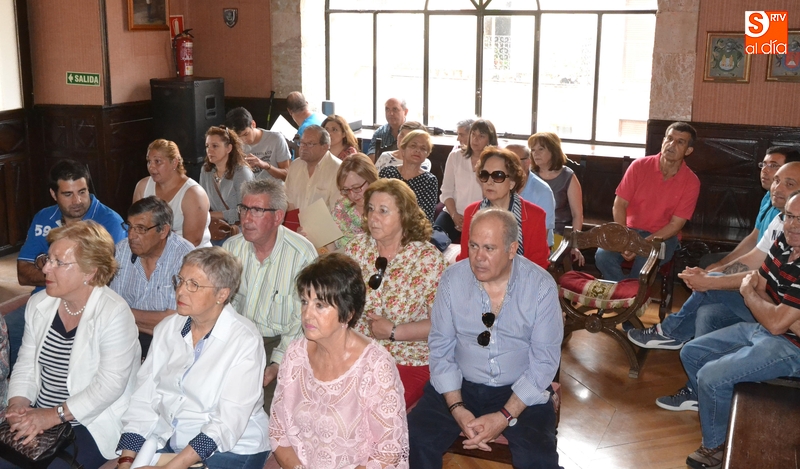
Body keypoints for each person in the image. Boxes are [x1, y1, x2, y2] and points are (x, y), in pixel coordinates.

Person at [627, 162, 800, 413]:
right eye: (776, 180)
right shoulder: (779, 221)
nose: (777, 187)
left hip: (780, 319)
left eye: (789, 183)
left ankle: (672, 332)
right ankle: (699, 390)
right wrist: (711, 272)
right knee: (707, 313)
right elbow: (755, 262)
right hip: (770, 303)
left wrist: (710, 280)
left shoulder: (791, 231)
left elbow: (757, 280)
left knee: (709, 289)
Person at [408, 208, 562, 469]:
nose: (478, 257)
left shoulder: (540, 286)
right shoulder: (452, 280)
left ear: (512, 249)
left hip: (519, 387)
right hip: (460, 383)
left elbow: (544, 362)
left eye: (489, 248)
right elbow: (441, 349)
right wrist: (457, 408)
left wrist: (503, 417)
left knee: (537, 458)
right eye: (473, 246)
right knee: (414, 440)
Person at [2, 221, 140, 468]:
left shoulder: (114, 313)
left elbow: (109, 386)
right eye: (48, 259)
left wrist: (52, 416)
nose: (46, 268)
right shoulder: (39, 304)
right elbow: (26, 363)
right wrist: (18, 405)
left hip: (91, 422)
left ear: (90, 272)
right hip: (40, 413)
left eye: (59, 262)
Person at [116, 248, 270, 469]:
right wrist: (126, 460)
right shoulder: (167, 329)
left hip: (231, 448)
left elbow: (227, 423)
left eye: (194, 285)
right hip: (173, 441)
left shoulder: (244, 340)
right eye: (180, 281)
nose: (180, 291)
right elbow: (144, 399)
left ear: (222, 294)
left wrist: (170, 467)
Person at [679, 190, 800, 469]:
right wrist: (774, 308)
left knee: (711, 375)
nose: (793, 225)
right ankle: (723, 417)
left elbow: (773, 318)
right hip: (768, 328)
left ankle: (715, 448)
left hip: (793, 349)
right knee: (692, 353)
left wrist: (752, 296)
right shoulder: (784, 243)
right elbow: (761, 284)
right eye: (790, 217)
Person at [269, 253, 409, 468]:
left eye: (320, 305)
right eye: (305, 302)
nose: (307, 314)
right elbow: (278, 430)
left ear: (348, 312)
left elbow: (387, 452)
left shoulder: (375, 366)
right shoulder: (296, 354)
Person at [8, 159, 126, 370]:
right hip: (42, 301)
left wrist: (46, 266)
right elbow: (23, 274)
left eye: (82, 192)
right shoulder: (44, 217)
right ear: (54, 194)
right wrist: (66, 273)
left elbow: (105, 276)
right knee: (6, 334)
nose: (78, 200)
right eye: (68, 194)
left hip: (87, 306)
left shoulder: (109, 221)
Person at [345, 179, 447, 407]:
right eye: (371, 209)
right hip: (358, 353)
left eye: (383, 211)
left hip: (408, 357)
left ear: (404, 215)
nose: (373, 217)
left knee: (376, 408)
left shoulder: (427, 259)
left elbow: (442, 325)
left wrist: (393, 331)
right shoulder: (356, 249)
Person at [223, 179, 317, 412]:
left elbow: (304, 320)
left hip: (281, 343)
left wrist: (277, 363)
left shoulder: (301, 255)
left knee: (270, 412)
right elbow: (219, 306)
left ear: (278, 217)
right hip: (237, 339)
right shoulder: (231, 249)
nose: (246, 219)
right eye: (244, 209)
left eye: (256, 210)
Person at [595, 122, 700, 281]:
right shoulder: (639, 166)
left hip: (663, 238)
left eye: (680, 142)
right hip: (629, 231)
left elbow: (675, 225)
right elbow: (619, 204)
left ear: (688, 150)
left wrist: (639, 245)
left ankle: (629, 293)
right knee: (603, 256)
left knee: (645, 261)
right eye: (669, 139)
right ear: (663, 141)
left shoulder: (691, 182)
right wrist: (625, 239)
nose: (672, 145)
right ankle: (626, 292)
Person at [110, 196, 194, 357]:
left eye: (141, 229)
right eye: (130, 227)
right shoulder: (121, 251)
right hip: (123, 337)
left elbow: (177, 322)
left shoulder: (186, 257)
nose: (131, 236)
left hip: (170, 346)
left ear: (163, 231)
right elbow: (107, 308)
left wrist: (120, 313)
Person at [700, 146, 800, 269]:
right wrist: (719, 267)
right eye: (764, 164)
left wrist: (716, 274)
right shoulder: (771, 200)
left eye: (773, 165)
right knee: (709, 262)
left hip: (769, 267)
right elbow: (754, 238)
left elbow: (768, 267)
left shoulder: (787, 214)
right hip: (760, 258)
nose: (764, 170)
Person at [457, 147, 550, 270]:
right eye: (485, 175)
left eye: (498, 176)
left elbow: (538, 266)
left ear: (512, 183)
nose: (489, 182)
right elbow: (465, 260)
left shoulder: (535, 216)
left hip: (523, 279)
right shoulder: (471, 212)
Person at [133, 139, 212, 248]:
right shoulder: (142, 186)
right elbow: (135, 226)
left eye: (157, 161)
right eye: (149, 161)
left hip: (191, 255)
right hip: (151, 252)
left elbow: (192, 242)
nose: (151, 167)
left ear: (174, 162)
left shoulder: (194, 194)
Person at [199, 125, 254, 244]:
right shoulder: (206, 170)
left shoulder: (242, 173)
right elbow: (202, 204)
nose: (209, 150)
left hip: (237, 232)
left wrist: (213, 215)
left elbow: (246, 211)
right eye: (207, 146)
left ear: (229, 148)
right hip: (214, 229)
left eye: (215, 146)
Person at [528, 132, 584, 250]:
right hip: (531, 232)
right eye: (533, 150)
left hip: (559, 234)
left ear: (553, 151)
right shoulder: (528, 175)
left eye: (541, 149)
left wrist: (574, 245)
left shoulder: (568, 176)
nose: (536, 153)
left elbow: (577, 215)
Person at [379, 129, 439, 223]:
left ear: (427, 155)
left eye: (423, 148)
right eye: (413, 146)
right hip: (386, 223)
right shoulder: (387, 173)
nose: (417, 150)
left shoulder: (429, 180)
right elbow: (378, 204)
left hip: (414, 227)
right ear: (403, 150)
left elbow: (426, 217)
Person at [507, 143, 557, 248]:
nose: (507, 166)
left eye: (513, 161)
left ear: (527, 163)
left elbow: (540, 238)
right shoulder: (499, 185)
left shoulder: (543, 191)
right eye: (504, 160)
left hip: (534, 250)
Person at [285, 125, 342, 211]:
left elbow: (338, 210)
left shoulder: (338, 170)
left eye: (310, 144)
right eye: (302, 143)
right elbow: (289, 202)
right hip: (296, 219)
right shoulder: (295, 165)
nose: (303, 147)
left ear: (325, 147)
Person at [226, 106, 291, 181]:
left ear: (253, 124)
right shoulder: (234, 144)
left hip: (273, 187)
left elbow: (287, 175)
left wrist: (266, 166)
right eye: (238, 137)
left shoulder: (276, 139)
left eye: (246, 134)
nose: (243, 140)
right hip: (248, 187)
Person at [331, 152, 379, 250]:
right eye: (346, 190)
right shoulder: (341, 206)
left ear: (371, 179)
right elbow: (331, 245)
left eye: (356, 188)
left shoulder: (384, 209)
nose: (352, 195)